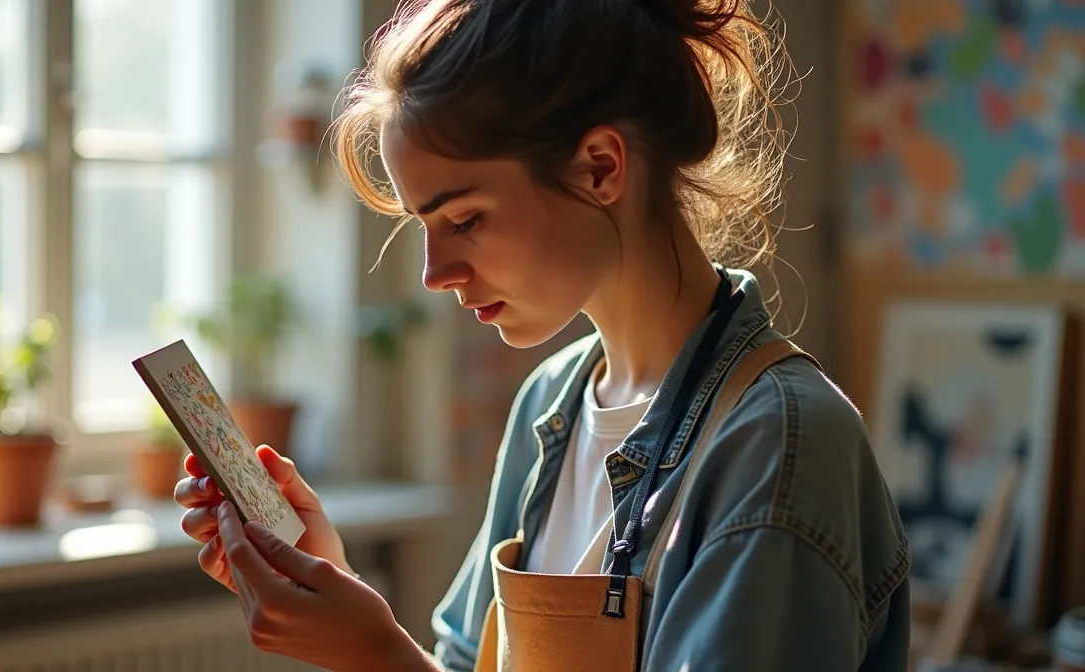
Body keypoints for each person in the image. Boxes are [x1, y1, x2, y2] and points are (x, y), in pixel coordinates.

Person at [174, 0, 912, 669]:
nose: (435, 273)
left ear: (600, 168)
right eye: (423, 228)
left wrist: (376, 657)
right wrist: (334, 589)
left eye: (463, 219)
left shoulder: (778, 443)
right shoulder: (550, 407)